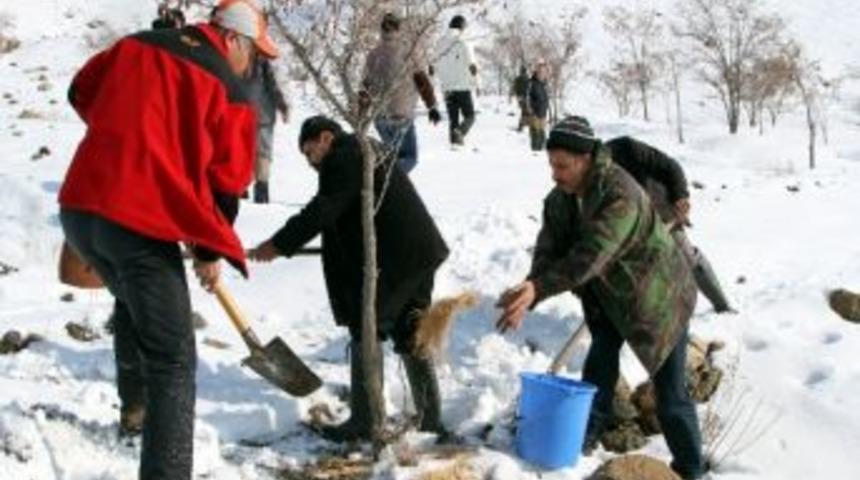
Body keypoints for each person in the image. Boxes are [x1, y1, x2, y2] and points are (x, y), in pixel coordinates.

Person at [58, 1, 277, 478]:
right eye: (255, 54)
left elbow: (79, 91)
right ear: (233, 40)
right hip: (136, 225)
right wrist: (209, 248)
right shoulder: (231, 89)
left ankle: (133, 409)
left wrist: (125, 135)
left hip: (80, 211)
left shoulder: (135, 43)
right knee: (174, 359)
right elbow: (227, 182)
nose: (254, 65)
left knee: (140, 315)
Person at [496, 116, 705, 479]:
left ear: (585, 159)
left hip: (658, 299)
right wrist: (530, 288)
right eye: (551, 165)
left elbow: (591, 254)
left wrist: (541, 288)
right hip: (608, 296)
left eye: (562, 166)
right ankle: (585, 434)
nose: (554, 174)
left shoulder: (620, 193)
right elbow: (549, 250)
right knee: (599, 365)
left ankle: (692, 470)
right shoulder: (559, 201)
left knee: (670, 396)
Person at [248, 116, 450, 442]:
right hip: (417, 252)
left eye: (310, 152)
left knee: (366, 327)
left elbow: (324, 209)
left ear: (326, 138)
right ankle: (430, 419)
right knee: (411, 328)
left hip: (398, 257)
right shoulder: (363, 149)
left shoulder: (346, 154)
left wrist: (278, 244)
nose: (311, 162)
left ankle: (365, 421)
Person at [605, 135, 733, 313]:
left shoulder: (627, 148)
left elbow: (671, 167)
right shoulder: (581, 184)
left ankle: (723, 307)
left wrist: (680, 196)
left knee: (688, 258)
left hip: (662, 212)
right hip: (631, 227)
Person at [363, 12, 441, 174]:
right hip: (401, 117)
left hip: (380, 118)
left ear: (381, 30)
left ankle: (382, 187)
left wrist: (361, 114)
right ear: (399, 29)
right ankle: (382, 181)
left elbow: (365, 87)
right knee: (409, 158)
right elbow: (422, 82)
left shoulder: (372, 55)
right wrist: (432, 106)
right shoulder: (408, 53)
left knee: (393, 158)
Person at [431, 14, 479, 146]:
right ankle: (460, 134)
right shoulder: (462, 41)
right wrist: (476, 84)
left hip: (446, 88)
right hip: (462, 86)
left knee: (453, 120)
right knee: (470, 116)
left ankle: (455, 145)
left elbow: (433, 65)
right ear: (462, 26)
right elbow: (472, 65)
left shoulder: (439, 43)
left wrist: (437, 80)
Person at [246, 57, 289, 203]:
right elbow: (273, 86)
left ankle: (242, 190)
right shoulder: (262, 62)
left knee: (246, 151)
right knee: (262, 153)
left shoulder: (239, 57)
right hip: (262, 116)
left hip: (245, 113)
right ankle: (261, 194)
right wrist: (282, 106)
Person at [525, 60, 550, 151]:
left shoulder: (543, 84)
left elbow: (545, 99)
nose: (542, 74)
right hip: (534, 114)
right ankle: (535, 154)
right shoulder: (532, 83)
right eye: (540, 72)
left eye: (543, 72)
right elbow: (527, 98)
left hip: (542, 114)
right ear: (537, 72)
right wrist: (531, 111)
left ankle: (540, 153)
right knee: (535, 135)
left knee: (542, 135)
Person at [510, 65, 530, 132]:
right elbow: (529, 88)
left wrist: (516, 95)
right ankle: (521, 126)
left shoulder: (518, 78)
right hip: (525, 97)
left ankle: (522, 125)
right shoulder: (527, 78)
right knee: (525, 111)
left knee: (524, 111)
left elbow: (514, 87)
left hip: (520, 97)